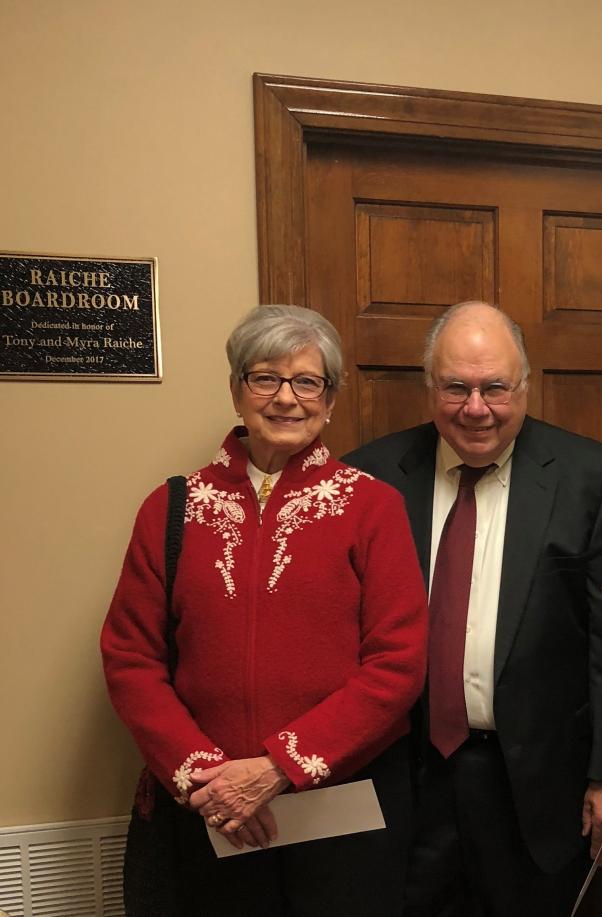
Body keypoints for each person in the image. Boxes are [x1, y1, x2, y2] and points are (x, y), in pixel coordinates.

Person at [101, 304, 428, 915]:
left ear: (329, 400)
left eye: (307, 381)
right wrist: (208, 781)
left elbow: (398, 663)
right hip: (211, 812)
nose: (286, 398)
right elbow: (130, 659)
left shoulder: (373, 508)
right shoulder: (171, 507)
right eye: (265, 378)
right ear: (236, 389)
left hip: (342, 812)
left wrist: (277, 769)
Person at [344, 300, 602, 916]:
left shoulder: (589, 476)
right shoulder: (372, 477)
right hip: (407, 777)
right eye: (456, 387)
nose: (476, 408)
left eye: (495, 388)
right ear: (430, 388)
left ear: (525, 387)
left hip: (536, 785)